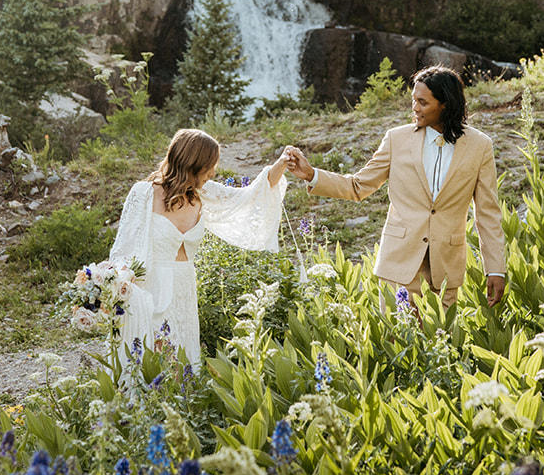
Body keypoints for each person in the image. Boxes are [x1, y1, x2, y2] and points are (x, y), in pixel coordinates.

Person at [286, 65, 506, 307]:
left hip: (444, 273)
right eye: (413, 100)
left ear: (445, 104)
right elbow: (358, 186)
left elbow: (487, 213)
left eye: (423, 102)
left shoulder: (480, 146)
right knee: (396, 341)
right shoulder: (396, 139)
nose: (415, 108)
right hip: (398, 267)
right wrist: (310, 174)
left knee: (441, 343)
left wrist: (495, 269)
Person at [108, 128, 291, 363]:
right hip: (149, 288)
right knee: (146, 360)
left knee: (182, 362)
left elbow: (248, 198)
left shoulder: (202, 194)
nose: (214, 172)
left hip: (184, 290)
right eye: (209, 165)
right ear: (191, 164)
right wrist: (114, 283)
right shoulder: (143, 194)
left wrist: (282, 163)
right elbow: (123, 247)